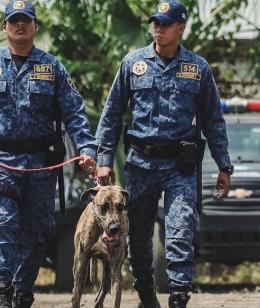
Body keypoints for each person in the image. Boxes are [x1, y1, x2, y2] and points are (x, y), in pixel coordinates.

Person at [95, 1, 232, 307]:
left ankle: (179, 298)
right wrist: (104, 159)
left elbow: (213, 120)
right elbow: (112, 112)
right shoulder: (133, 63)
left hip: (179, 167)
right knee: (139, 237)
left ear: (180, 28)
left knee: (180, 232)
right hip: (140, 164)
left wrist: (224, 165)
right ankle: (147, 295)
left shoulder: (197, 68)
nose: (159, 28)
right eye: (155, 22)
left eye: (166, 24)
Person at [0, 1, 97, 307]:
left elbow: (75, 112)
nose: (19, 26)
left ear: (35, 26)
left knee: (37, 229)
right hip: (3, 162)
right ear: (4, 27)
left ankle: (23, 288)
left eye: (25, 20)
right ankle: (2, 286)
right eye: (13, 21)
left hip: (42, 163)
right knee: (4, 224)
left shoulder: (51, 67)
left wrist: (86, 148)